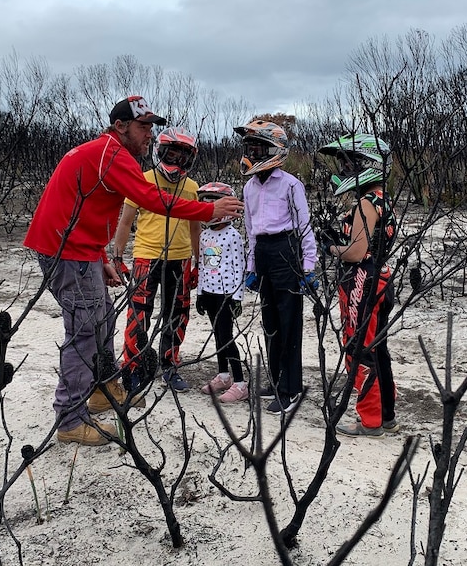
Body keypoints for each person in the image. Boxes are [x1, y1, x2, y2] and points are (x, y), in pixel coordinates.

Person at [23, 96, 244, 446]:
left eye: (152, 128)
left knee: (103, 320)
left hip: (79, 251)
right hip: (66, 254)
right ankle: (69, 418)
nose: (149, 135)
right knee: (83, 332)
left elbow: (82, 208)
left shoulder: (104, 151)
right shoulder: (111, 154)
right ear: (121, 126)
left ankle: (101, 389)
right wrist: (208, 210)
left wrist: (101, 257)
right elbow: (149, 197)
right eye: (143, 127)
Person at [106, 126, 200, 398]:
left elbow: (196, 228)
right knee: (138, 313)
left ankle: (170, 364)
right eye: (172, 154)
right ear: (160, 151)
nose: (176, 161)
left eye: (182, 157)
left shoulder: (191, 187)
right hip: (146, 257)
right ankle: (133, 367)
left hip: (180, 259)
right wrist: (117, 256)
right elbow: (125, 221)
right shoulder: (142, 180)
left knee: (178, 314)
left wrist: (197, 263)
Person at [316, 133, 399, 437]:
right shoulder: (383, 200)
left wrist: (329, 247)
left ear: (368, 164)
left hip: (363, 280)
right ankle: (386, 415)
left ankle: (370, 420)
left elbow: (355, 252)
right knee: (378, 350)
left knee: (360, 349)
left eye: (349, 162)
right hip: (381, 278)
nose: (344, 168)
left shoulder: (366, 203)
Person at [236, 120, 318, 415]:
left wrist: (309, 266)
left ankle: (290, 388)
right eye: (250, 147)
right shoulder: (249, 186)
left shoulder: (290, 184)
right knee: (269, 321)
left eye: (258, 146)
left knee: (289, 321)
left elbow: (304, 226)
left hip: (286, 250)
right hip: (263, 252)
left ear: (274, 149)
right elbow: (250, 229)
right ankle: (275, 378)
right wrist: (251, 267)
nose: (253, 152)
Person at [195, 182, 249, 403]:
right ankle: (224, 375)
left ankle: (239, 382)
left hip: (226, 295)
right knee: (217, 335)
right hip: (209, 292)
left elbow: (239, 268)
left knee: (227, 337)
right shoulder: (204, 235)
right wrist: (199, 293)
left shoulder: (233, 236)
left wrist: (237, 299)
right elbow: (203, 264)